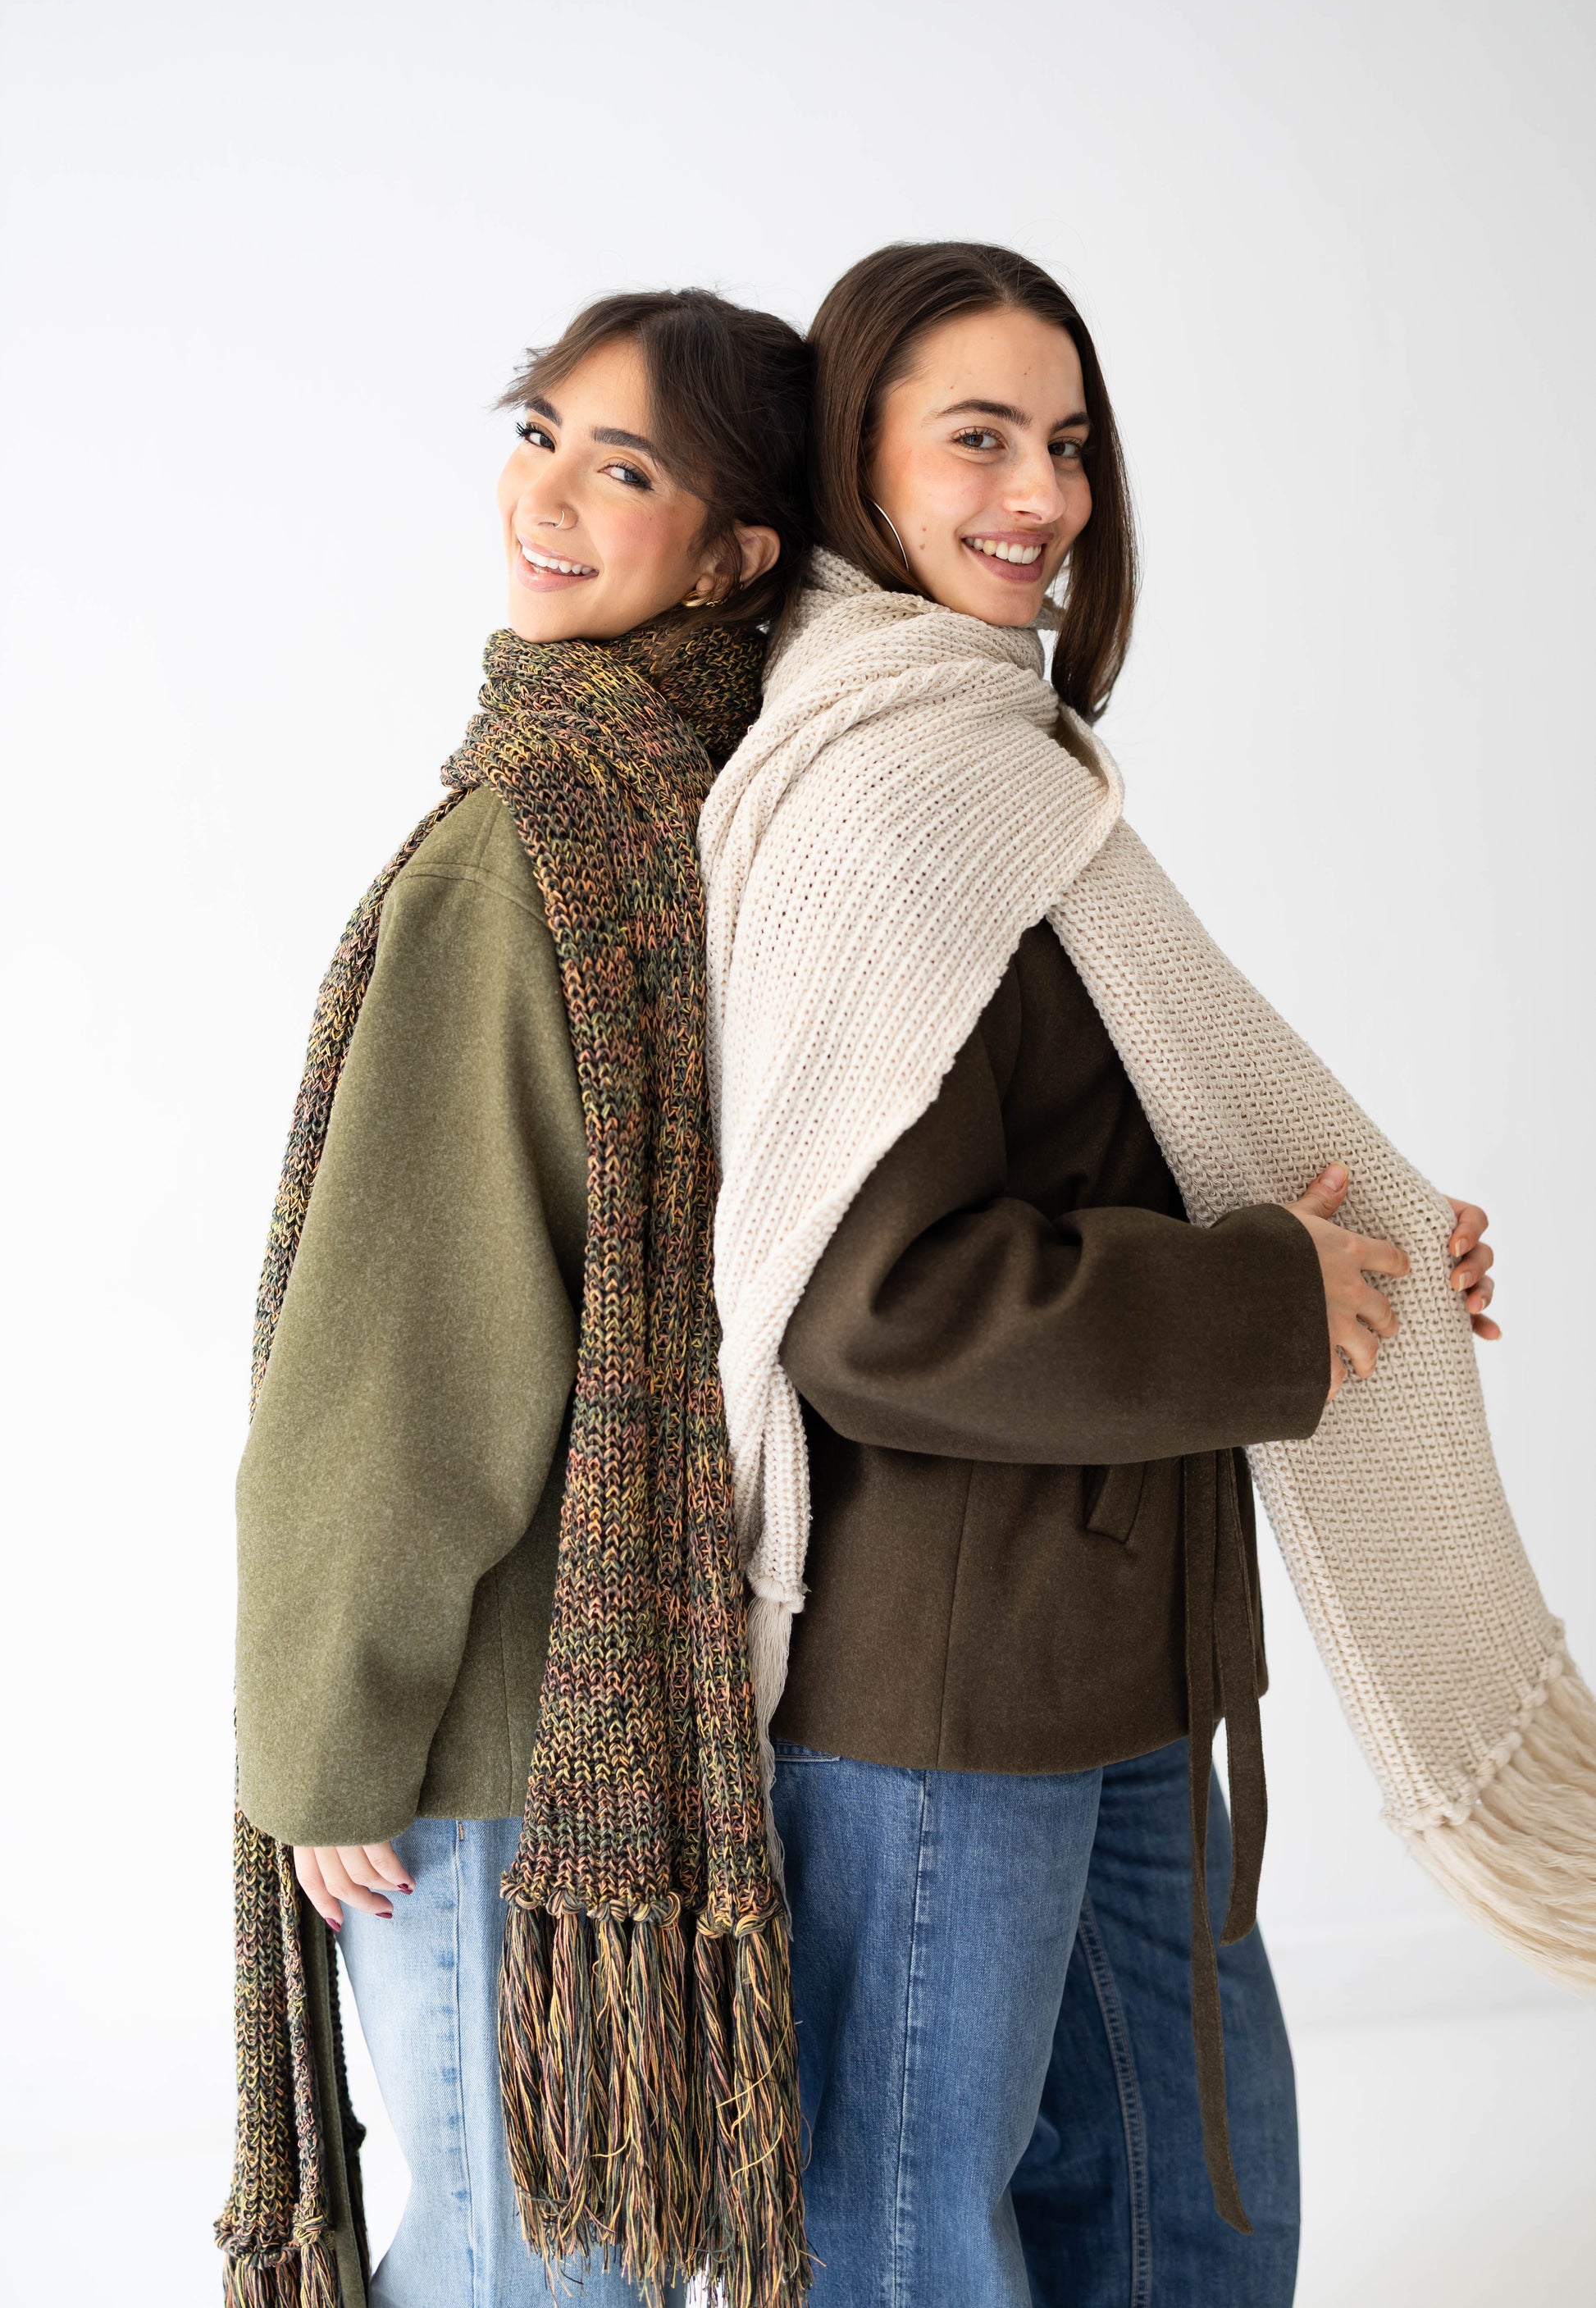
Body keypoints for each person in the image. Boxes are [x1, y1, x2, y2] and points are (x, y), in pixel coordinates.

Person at [697, 241, 1518, 2308]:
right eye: (977, 437)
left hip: (1130, 1645)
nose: (1041, 494)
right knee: (907, 2236)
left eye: (1066, 443)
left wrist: (1344, 1247)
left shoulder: (998, 760)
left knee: (1194, 2218)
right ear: (856, 453)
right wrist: (1262, 1302)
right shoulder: (883, 793)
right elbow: (876, 1302)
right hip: (949, 1693)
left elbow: (1092, 1128)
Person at [217, 289, 814, 2308]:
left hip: (481, 1743)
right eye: (539, 430)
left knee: (514, 2263)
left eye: (622, 467)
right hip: (666, 1716)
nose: (543, 495)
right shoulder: (729, 806)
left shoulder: (523, 840)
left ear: (731, 554)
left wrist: (326, 1734)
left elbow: (408, 1355)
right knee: (578, 2253)